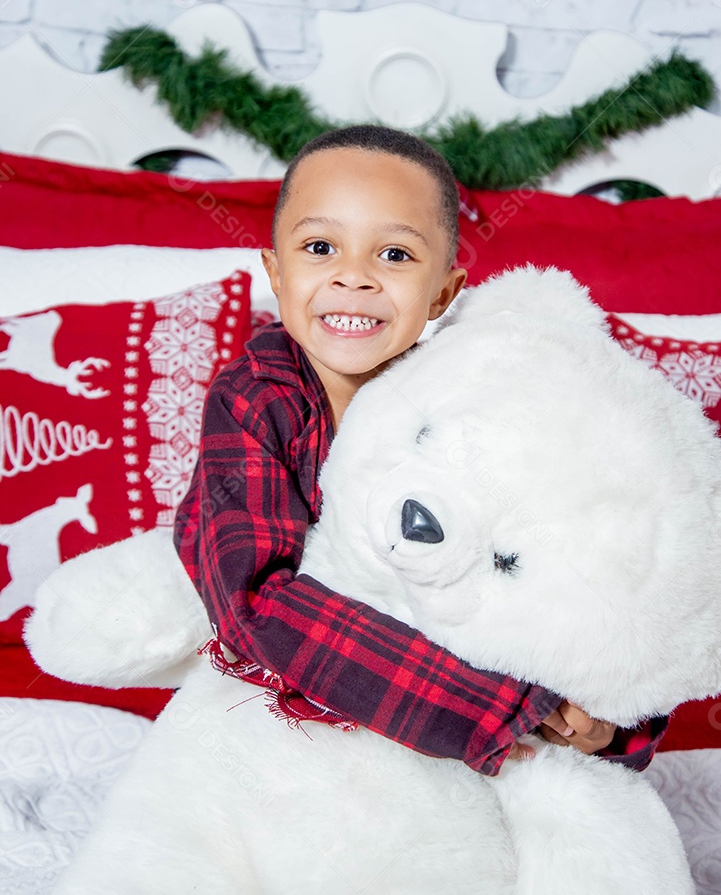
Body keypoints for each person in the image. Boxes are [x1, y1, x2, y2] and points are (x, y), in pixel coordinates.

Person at [173, 125, 667, 775]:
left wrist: (615, 716)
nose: (354, 277)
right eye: (320, 247)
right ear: (276, 271)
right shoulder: (255, 400)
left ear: (442, 292)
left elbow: (571, 549)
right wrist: (503, 706)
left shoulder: (477, 388)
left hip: (482, 706)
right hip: (326, 715)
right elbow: (255, 604)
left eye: (395, 254)